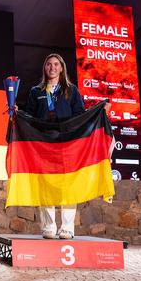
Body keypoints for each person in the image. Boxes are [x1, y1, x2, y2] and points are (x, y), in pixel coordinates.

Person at [24, 53, 108, 239]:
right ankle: (49, 227)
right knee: (46, 183)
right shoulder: (36, 91)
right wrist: (16, 114)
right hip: (44, 142)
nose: (52, 67)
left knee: (68, 184)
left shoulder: (71, 90)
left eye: (56, 64)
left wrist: (97, 112)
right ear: (45, 68)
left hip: (67, 143)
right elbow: (29, 116)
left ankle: (67, 228)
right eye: (49, 64)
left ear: (62, 68)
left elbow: (80, 115)